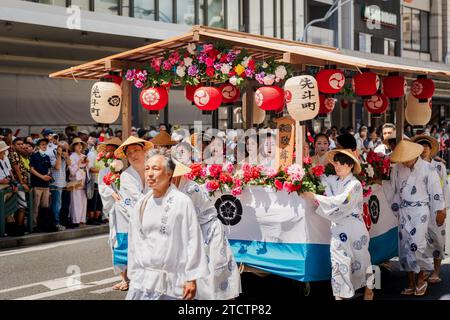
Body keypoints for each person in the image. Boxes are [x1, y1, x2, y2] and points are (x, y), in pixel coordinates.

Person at [126, 149, 209, 300]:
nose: (150, 173)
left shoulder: (181, 201)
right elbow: (134, 242)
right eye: (147, 168)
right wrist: (133, 274)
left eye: (156, 169)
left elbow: (193, 239)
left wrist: (191, 277)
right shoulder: (141, 203)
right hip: (143, 280)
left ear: (169, 173)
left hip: (173, 281)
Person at [302, 149, 373, 300]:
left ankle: (371, 287)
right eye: (336, 164)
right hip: (338, 227)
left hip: (354, 226)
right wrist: (306, 168)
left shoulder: (355, 184)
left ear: (350, 166)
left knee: (363, 259)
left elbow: (342, 201)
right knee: (338, 262)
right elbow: (321, 178)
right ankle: (340, 296)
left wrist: (315, 196)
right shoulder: (334, 180)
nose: (337, 167)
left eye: (341, 164)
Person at [173, 158, 241, 299]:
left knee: (213, 271)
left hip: (207, 228)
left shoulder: (190, 188)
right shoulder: (171, 188)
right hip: (192, 231)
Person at [388, 140, 444, 296]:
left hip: (420, 210)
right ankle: (411, 282)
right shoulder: (397, 168)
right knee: (405, 246)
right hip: (404, 210)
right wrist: (396, 210)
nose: (404, 162)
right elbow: (394, 190)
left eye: (407, 159)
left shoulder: (428, 168)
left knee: (417, 244)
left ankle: (421, 278)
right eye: (402, 159)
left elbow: (436, 191)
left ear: (414, 156)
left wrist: (440, 211)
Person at [112, 136, 154, 291]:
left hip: (152, 213)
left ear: (144, 151)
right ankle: (126, 278)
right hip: (128, 215)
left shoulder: (153, 169)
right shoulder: (126, 175)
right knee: (125, 244)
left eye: (136, 150)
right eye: (129, 153)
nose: (133, 155)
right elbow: (138, 199)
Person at [411, 135, 448, 284]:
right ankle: (423, 270)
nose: (424, 148)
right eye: (421, 146)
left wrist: (443, 209)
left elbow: (445, 187)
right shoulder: (412, 166)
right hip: (419, 208)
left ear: (431, 149)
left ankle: (436, 271)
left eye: (426, 145)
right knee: (421, 240)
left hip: (436, 207)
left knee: (438, 239)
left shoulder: (439, 166)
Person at [29, 138, 52, 230]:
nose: (44, 146)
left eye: (45, 144)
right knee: (35, 206)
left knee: (45, 207)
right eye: (42, 144)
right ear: (38, 146)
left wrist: (49, 176)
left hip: (46, 185)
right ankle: (34, 225)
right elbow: (31, 169)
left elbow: (49, 169)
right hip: (37, 184)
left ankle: (43, 224)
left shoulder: (47, 157)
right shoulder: (34, 156)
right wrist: (42, 177)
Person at [50, 141, 71, 231]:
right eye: (63, 148)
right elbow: (57, 167)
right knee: (56, 205)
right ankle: (56, 223)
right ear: (58, 147)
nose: (64, 150)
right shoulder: (52, 153)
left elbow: (69, 164)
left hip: (62, 183)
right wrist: (58, 154)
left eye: (66, 149)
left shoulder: (64, 155)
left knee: (60, 205)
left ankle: (58, 222)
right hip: (55, 183)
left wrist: (67, 156)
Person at [68, 138, 89, 228]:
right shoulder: (71, 157)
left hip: (84, 180)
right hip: (76, 181)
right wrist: (79, 163)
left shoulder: (84, 155)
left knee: (84, 201)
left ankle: (82, 220)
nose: (80, 146)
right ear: (74, 147)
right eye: (77, 144)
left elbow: (86, 169)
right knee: (76, 201)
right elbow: (72, 171)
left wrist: (86, 164)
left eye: (81, 144)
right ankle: (75, 220)